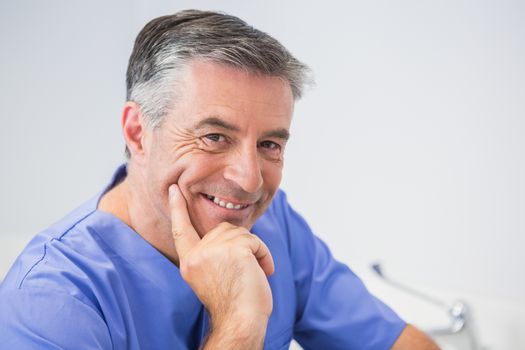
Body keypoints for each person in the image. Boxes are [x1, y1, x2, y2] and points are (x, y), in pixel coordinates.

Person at [0, 10, 439, 350]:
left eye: (270, 144)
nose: (249, 180)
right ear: (138, 132)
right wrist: (239, 327)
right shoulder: (51, 301)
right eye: (214, 136)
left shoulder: (273, 224)